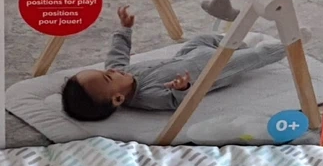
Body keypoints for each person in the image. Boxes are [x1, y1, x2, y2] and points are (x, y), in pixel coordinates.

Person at [60, 6, 291, 121]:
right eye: (107, 76)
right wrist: (182, 89)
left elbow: (117, 52)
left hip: (187, 56)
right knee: (253, 58)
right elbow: (176, 103)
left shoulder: (120, 72)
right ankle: (288, 45)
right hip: (212, 71)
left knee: (201, 39)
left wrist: (125, 29)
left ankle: (242, 43)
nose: (111, 70)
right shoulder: (148, 97)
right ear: (118, 98)